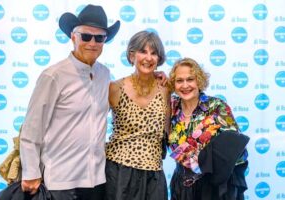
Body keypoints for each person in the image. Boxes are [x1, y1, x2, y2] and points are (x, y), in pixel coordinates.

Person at [20, 4, 120, 200]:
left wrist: (155, 78)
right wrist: (31, 172)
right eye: (86, 36)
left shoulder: (104, 74)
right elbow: (32, 128)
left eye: (99, 37)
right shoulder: (53, 75)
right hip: (61, 181)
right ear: (73, 37)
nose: (92, 42)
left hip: (96, 180)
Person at [168, 58, 248, 200]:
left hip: (214, 187)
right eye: (179, 80)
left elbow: (237, 149)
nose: (185, 85)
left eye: (190, 79)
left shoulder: (217, 107)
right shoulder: (171, 108)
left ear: (199, 81)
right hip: (182, 186)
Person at [105, 30, 170, 200]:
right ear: (132, 55)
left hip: (154, 175)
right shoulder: (115, 87)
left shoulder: (166, 89)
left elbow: (168, 132)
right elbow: (91, 123)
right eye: (143, 51)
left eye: (154, 53)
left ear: (159, 59)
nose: (148, 58)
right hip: (119, 173)